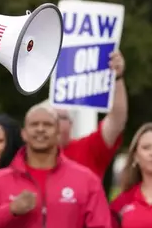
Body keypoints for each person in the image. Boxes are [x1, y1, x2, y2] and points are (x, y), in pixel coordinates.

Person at [55, 49, 128, 179]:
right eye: (48, 120)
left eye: (60, 118)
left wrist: (117, 77)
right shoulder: (25, 157)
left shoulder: (88, 149)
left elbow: (116, 120)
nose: (52, 124)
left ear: (71, 124)